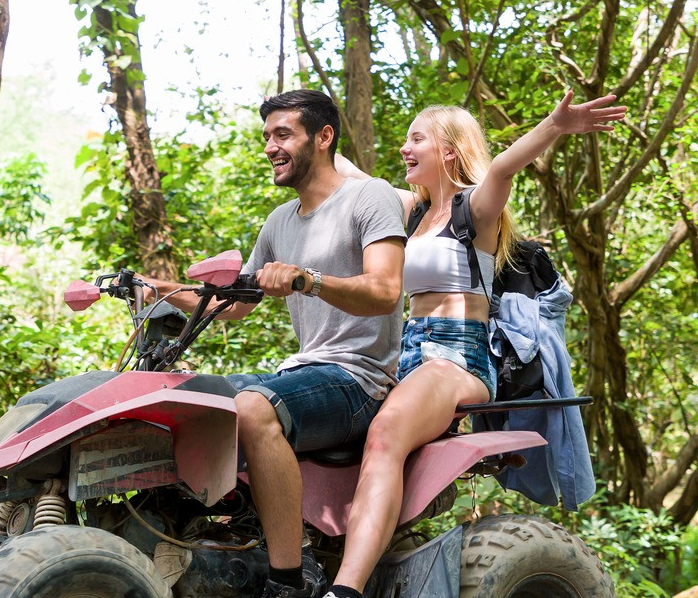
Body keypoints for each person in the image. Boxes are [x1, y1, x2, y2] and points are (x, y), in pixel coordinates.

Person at [323, 90, 625, 598]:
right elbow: (346, 174)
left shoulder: (475, 209)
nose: (404, 147)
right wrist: (305, 126)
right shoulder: (411, 212)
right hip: (405, 357)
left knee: (385, 435)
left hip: (456, 356)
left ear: (450, 150)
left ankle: (344, 591)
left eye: (417, 138)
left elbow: (504, 168)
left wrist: (555, 125)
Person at [143, 89, 406, 598]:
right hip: (302, 373)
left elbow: (384, 291)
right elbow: (235, 302)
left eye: (283, 134)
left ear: (324, 137)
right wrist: (158, 289)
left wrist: (307, 279)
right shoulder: (279, 221)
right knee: (185, 398)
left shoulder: (368, 197)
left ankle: (290, 579)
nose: (270, 147)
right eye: (267, 137)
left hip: (359, 380)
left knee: (252, 407)